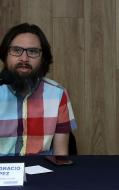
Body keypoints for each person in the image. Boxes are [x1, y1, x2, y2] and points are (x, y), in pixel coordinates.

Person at [0, 23, 76, 156]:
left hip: (42, 168)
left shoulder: (58, 94)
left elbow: (60, 155)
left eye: (33, 52)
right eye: (16, 50)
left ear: (43, 59)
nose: (24, 59)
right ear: (5, 55)